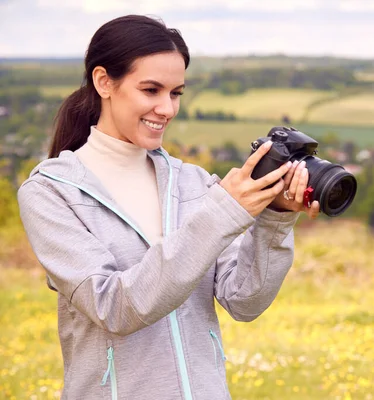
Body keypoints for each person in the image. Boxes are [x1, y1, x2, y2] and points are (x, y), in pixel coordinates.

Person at [18, 14, 319, 399]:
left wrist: (276, 218)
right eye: (151, 90)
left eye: (175, 93)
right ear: (103, 82)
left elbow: (244, 301)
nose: (167, 108)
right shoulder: (50, 193)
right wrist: (224, 212)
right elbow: (114, 307)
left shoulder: (193, 184)